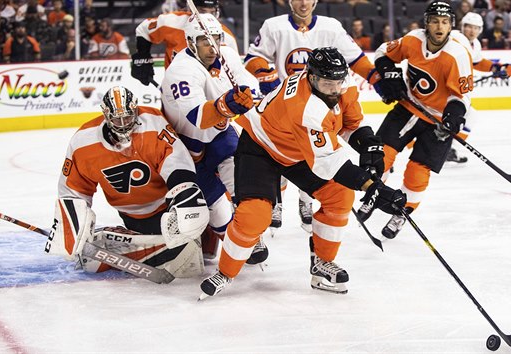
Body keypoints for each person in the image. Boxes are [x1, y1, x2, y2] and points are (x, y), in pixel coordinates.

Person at [198, 47, 406, 299]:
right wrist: (372, 186)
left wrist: (369, 145)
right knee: (255, 216)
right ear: (311, 77)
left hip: (297, 150)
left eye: (337, 82)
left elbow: (350, 124)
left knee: (340, 197)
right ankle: (225, 272)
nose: (334, 89)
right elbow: (330, 163)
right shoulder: (305, 108)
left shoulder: (343, 86)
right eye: (327, 83)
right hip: (261, 148)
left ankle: (321, 264)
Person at [243, 0, 383, 238]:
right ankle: (276, 200)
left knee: (315, 157)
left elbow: (355, 58)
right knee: (281, 152)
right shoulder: (273, 26)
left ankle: (306, 199)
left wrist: (376, 78)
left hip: (320, 106)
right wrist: (266, 75)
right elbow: (253, 58)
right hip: (286, 106)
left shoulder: (331, 27)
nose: (303, 2)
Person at [46, 86, 210, 279]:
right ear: (106, 116)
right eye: (117, 119)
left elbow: (175, 159)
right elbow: (73, 190)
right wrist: (70, 227)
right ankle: (139, 242)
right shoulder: (83, 141)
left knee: (189, 251)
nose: (123, 124)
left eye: (128, 117)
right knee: (93, 260)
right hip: (131, 215)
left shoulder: (153, 122)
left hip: (166, 210)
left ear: (136, 110)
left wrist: (183, 193)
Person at [161, 13, 260, 261]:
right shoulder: (181, 70)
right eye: (205, 41)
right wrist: (229, 106)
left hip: (217, 134)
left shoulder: (224, 54)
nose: (212, 47)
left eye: (215, 39)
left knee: (242, 180)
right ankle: (232, 246)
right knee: (216, 203)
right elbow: (198, 117)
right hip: (183, 145)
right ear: (190, 43)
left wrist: (248, 92)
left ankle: (248, 235)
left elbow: (245, 79)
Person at [372, 2, 472, 239]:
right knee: (379, 154)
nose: (440, 26)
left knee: (417, 172)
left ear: (451, 26)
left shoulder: (457, 54)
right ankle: (374, 193)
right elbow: (382, 53)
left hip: (437, 120)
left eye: (445, 22)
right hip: (409, 107)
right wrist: (389, 73)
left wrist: (454, 115)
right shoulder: (412, 40)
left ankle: (402, 213)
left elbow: (462, 95)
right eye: (435, 21)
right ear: (426, 23)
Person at [447, 12, 511, 164]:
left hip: (454, 89)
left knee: (470, 115)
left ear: (480, 30)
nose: (472, 30)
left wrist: (497, 68)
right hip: (444, 87)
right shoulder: (455, 38)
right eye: (469, 27)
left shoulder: (475, 44)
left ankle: (448, 149)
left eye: (476, 28)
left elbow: (476, 62)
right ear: (462, 26)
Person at [131, 0, 239, 86]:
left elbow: (235, 72)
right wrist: (142, 57)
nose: (207, 17)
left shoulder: (227, 37)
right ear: (191, 9)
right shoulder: (172, 22)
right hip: (174, 91)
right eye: (202, 11)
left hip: (210, 95)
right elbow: (144, 29)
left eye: (212, 12)